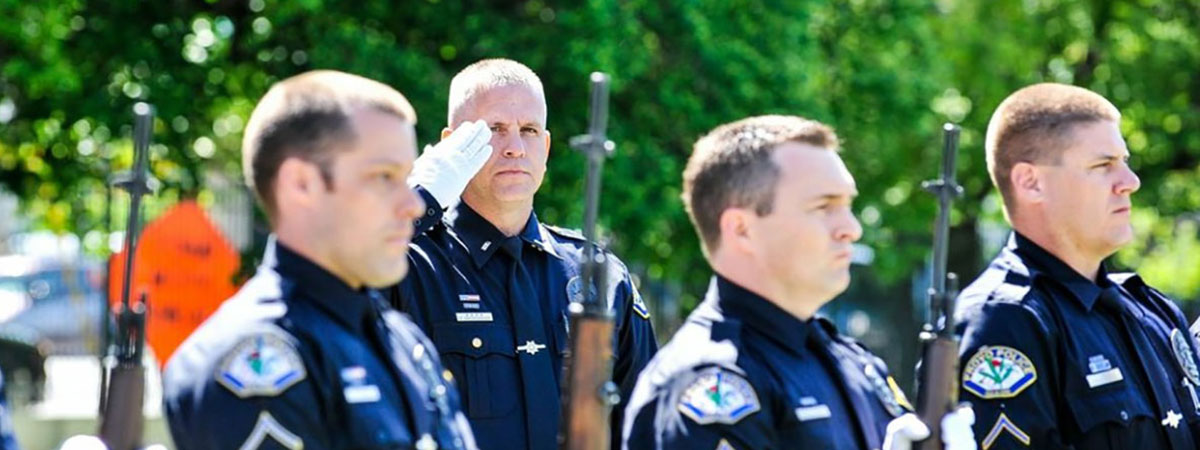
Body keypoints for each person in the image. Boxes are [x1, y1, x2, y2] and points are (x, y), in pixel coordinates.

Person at [163, 70, 478, 450]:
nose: (413, 203)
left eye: (406, 176)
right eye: (384, 177)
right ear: (302, 185)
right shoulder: (258, 361)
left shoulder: (403, 339)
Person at [622, 115, 974, 449]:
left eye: (848, 205)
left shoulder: (854, 363)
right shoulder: (711, 384)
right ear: (742, 230)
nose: (851, 228)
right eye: (824, 207)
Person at [390, 58, 658, 449]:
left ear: (545, 147)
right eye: (495, 130)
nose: (515, 148)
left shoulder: (598, 276)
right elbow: (329, 290)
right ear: (451, 143)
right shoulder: (407, 262)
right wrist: (417, 202)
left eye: (529, 130)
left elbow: (647, 429)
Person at [955, 82, 1200, 449]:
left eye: (1125, 162)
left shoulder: (1152, 311)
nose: (1130, 182)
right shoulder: (1007, 321)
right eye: (1103, 165)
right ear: (1031, 182)